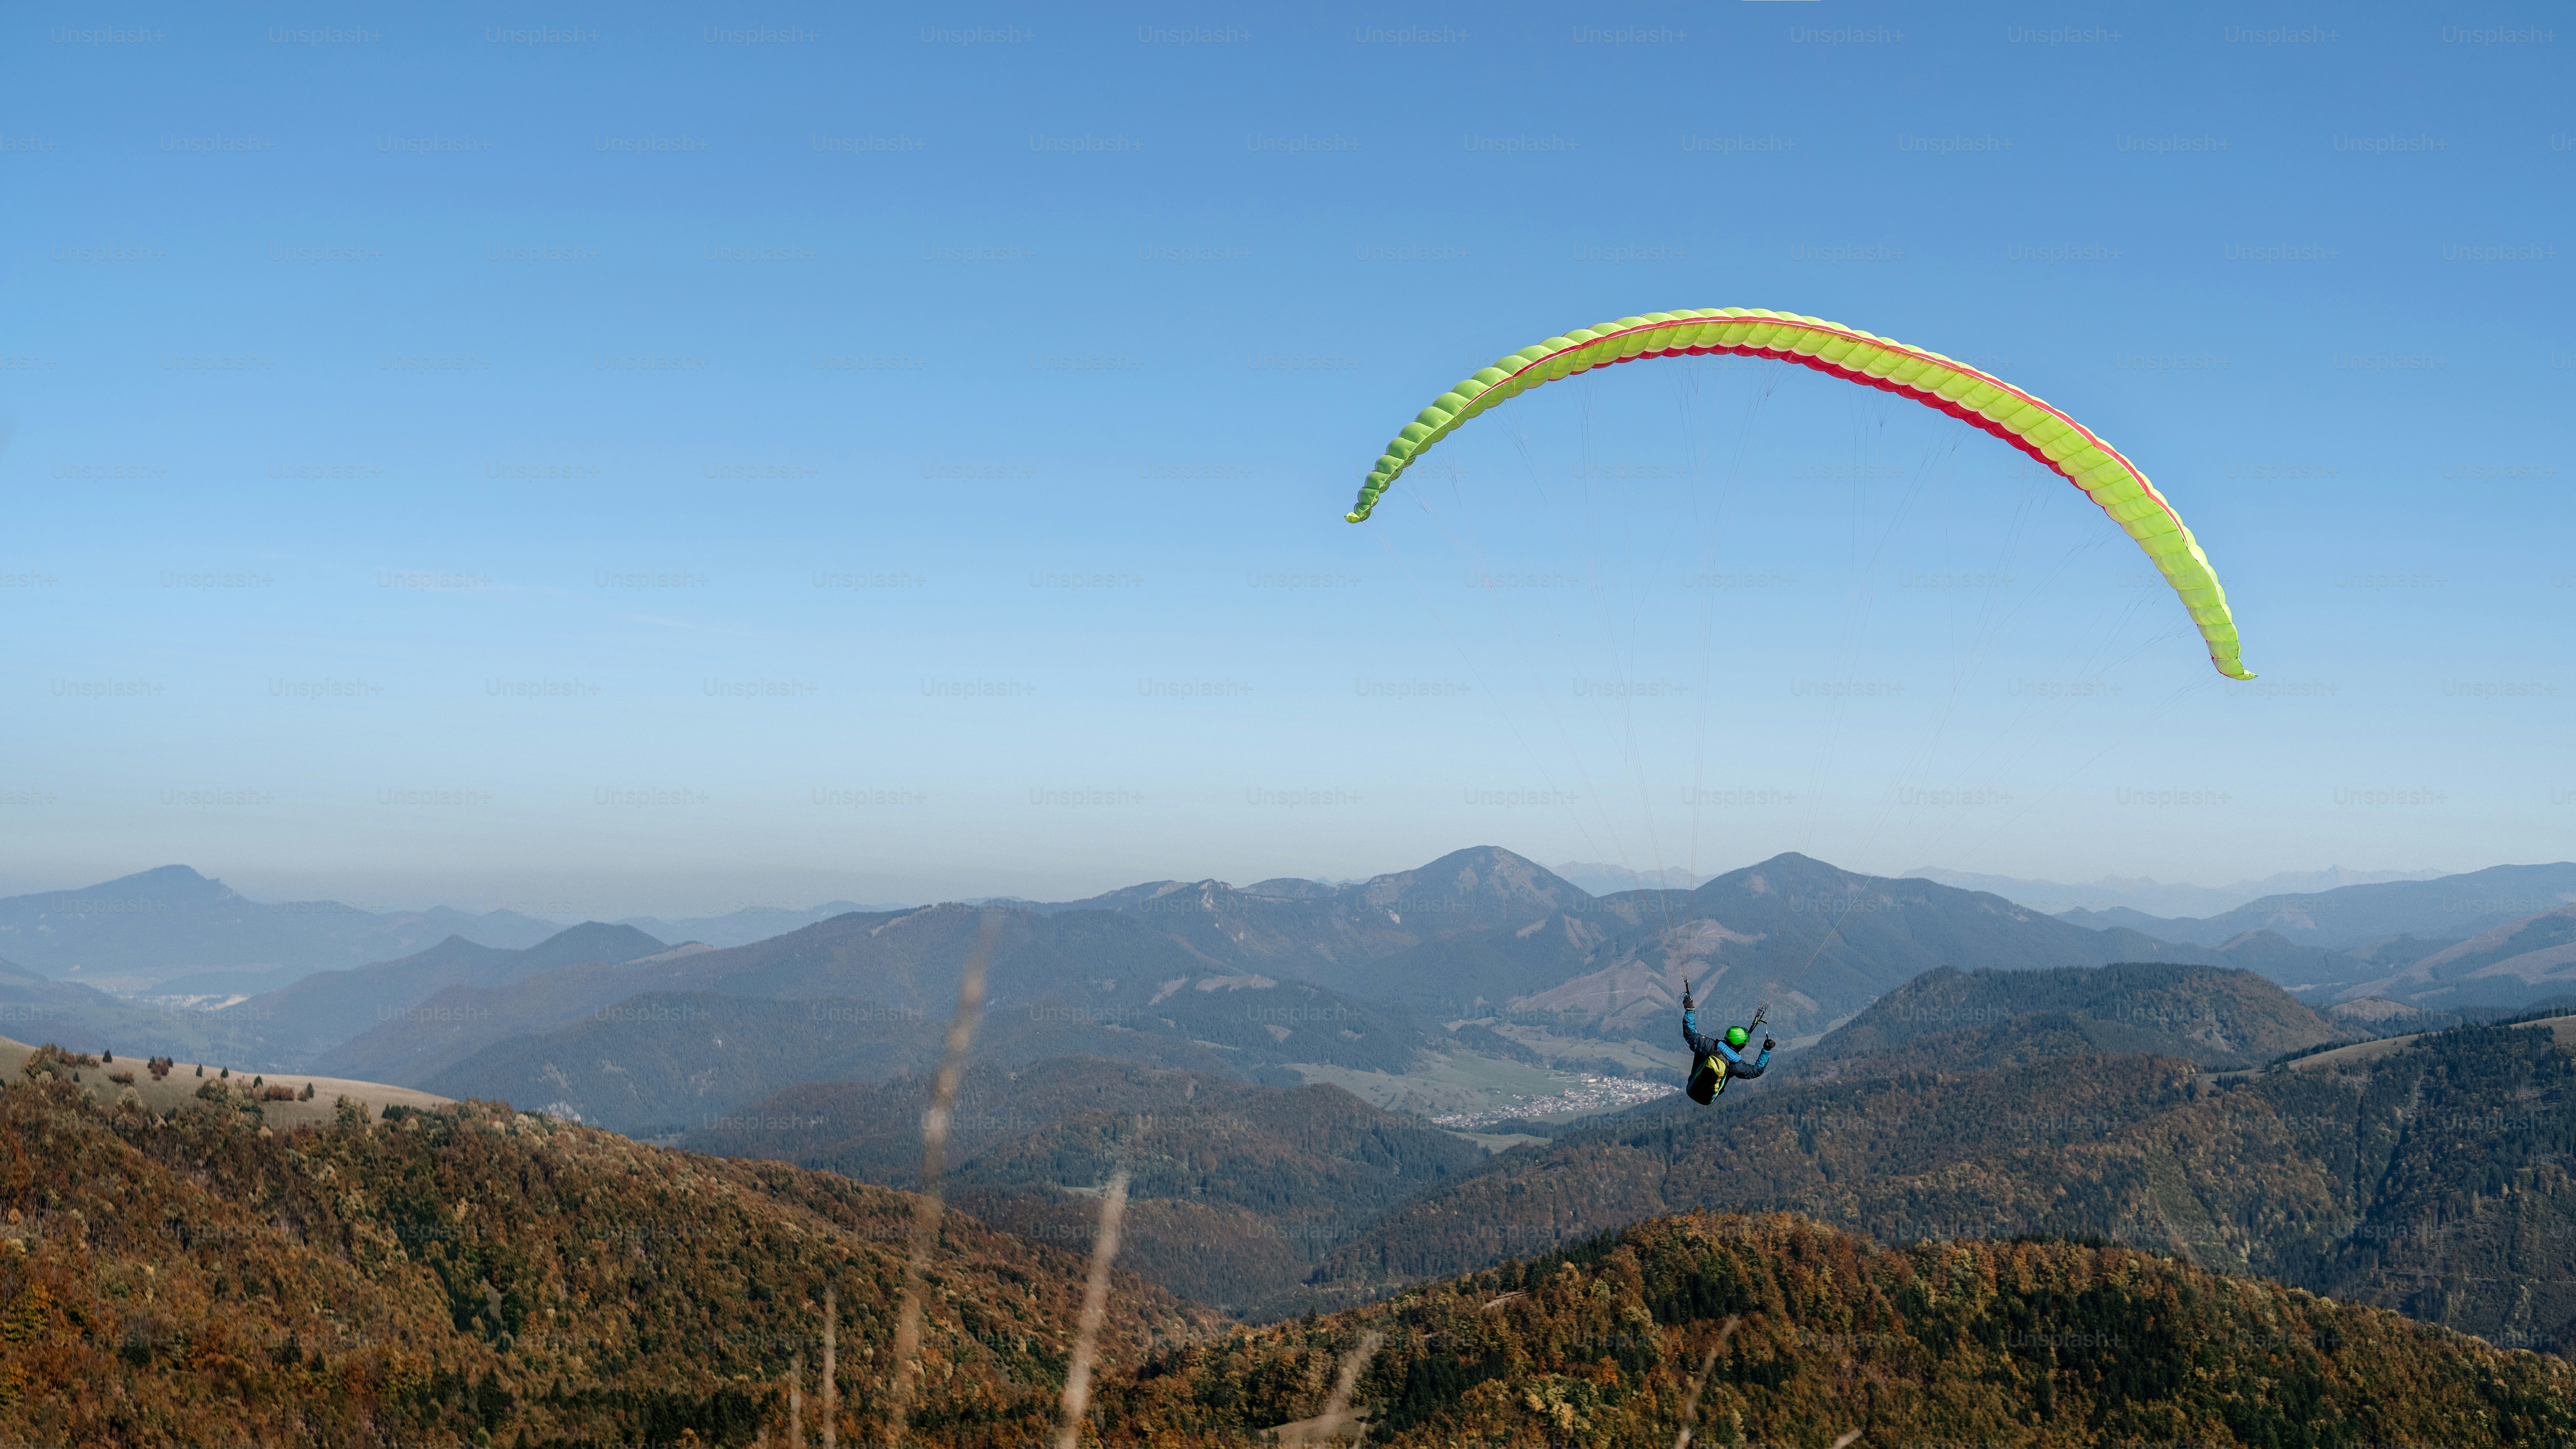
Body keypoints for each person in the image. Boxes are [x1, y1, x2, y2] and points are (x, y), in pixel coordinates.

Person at [1681, 979, 1773, 1104]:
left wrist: (1690, 1011)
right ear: (1741, 1046)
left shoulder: (1710, 1046)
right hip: (1708, 1099)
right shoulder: (1736, 1065)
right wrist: (1766, 1050)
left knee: (1699, 1049)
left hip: (1691, 1089)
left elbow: (1690, 1034)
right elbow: (1757, 1071)